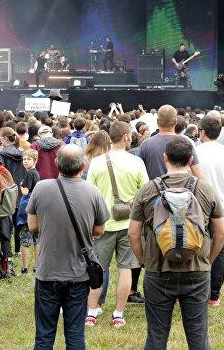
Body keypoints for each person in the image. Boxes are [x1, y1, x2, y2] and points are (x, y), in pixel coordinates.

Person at [128, 136, 224, 350]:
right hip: (197, 271)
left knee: (156, 337)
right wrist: (207, 261)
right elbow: (221, 233)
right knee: (198, 337)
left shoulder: (148, 189)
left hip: (158, 270)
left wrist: (145, 260)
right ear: (191, 160)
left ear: (165, 158)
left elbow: (133, 234)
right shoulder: (205, 189)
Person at [28, 145, 109, 349]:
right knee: (75, 334)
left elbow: (32, 225)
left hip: (48, 271)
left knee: (44, 335)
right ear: (83, 165)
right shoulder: (93, 191)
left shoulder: (41, 188)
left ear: (56, 164)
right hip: (78, 273)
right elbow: (100, 229)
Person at [85, 121, 149, 326]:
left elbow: (89, 195)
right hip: (129, 225)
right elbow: (145, 193)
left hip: (102, 224)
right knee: (125, 269)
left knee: (97, 269)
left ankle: (91, 311)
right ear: (125, 137)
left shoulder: (96, 163)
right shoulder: (136, 162)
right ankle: (118, 313)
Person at [195, 116, 224, 303]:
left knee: (197, 249)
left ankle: (198, 291)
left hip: (200, 208)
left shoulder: (196, 152)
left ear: (202, 132)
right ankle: (214, 295)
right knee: (219, 250)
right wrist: (223, 183)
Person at [138, 105, 203, 180]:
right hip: (179, 190)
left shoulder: (146, 144)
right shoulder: (185, 142)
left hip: (154, 190)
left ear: (157, 121)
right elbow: (198, 174)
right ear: (175, 121)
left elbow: (138, 173)